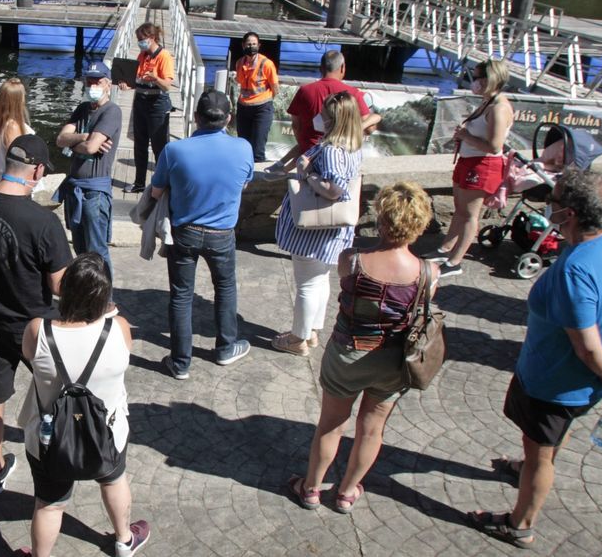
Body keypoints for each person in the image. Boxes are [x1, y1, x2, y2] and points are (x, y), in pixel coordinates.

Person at [469, 168, 602, 549]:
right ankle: (527, 469)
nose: (547, 206)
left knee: (541, 453)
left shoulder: (575, 270)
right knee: (549, 441)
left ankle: (520, 524)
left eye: (552, 201)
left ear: (568, 214)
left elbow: (586, 347)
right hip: (586, 384)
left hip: (554, 384)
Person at [289, 182, 438, 513]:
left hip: (347, 353)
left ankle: (311, 489)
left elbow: (347, 286)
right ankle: (346, 493)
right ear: (420, 224)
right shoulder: (429, 273)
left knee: (331, 423)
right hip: (392, 361)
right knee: (372, 429)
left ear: (381, 220)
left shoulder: (352, 260)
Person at [0, 134, 73, 494]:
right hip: (36, 327)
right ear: (37, 170)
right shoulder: (43, 222)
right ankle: (59, 459)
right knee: (57, 396)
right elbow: (58, 286)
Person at [17, 254, 150, 557]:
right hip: (107, 432)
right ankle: (124, 540)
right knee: (114, 480)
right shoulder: (119, 329)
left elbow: (28, 357)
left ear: (64, 289)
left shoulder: (39, 330)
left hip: (49, 438)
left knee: (49, 504)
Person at [150, 90, 254, 378]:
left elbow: (156, 191)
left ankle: (181, 363)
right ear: (228, 118)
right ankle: (225, 348)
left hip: (185, 232)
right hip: (222, 232)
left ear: (196, 117)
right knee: (225, 288)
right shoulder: (244, 148)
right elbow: (244, 183)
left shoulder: (174, 151)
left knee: (181, 296)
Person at [272, 92, 366, 356]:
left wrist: (308, 173)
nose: (318, 117)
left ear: (335, 120)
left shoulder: (333, 151)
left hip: (315, 231)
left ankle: (297, 339)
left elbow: (334, 190)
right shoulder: (353, 147)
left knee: (307, 284)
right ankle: (312, 331)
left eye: (324, 114)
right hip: (333, 231)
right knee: (321, 279)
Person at [425, 59, 514, 278]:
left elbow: (495, 146)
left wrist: (467, 136)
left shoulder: (499, 108)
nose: (473, 82)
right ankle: (445, 249)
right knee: (461, 210)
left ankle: (455, 262)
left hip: (482, 165)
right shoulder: (487, 102)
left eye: (477, 78)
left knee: (470, 215)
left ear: (490, 79)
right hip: (469, 161)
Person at [55, 65, 121, 275]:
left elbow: (92, 148)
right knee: (80, 249)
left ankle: (105, 299)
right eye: (89, 81)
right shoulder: (82, 109)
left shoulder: (112, 111)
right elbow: (60, 139)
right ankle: (86, 293)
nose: (92, 85)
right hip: (75, 188)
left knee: (97, 251)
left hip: (95, 192)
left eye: (98, 81)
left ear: (108, 85)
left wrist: (74, 143)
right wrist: (84, 137)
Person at [268, 50, 379, 175]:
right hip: (338, 158)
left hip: (307, 157)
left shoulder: (304, 91)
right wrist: (374, 118)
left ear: (321, 68)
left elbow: (295, 125)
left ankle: (281, 167)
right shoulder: (353, 94)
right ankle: (282, 167)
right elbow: (370, 129)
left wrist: (304, 146)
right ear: (342, 68)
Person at [120, 23, 175, 194]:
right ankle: (139, 183)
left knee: (160, 147)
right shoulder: (142, 55)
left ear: (152, 38)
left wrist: (155, 77)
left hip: (157, 104)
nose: (140, 43)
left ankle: (161, 185)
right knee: (140, 144)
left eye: (142, 40)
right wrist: (126, 84)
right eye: (138, 40)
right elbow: (137, 80)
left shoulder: (164, 56)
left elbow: (167, 86)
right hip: (141, 102)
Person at [234, 31, 279, 162]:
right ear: (243, 45)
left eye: (254, 44)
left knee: (258, 147)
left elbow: (275, 88)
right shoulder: (239, 63)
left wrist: (267, 102)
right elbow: (239, 81)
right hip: (243, 107)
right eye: (249, 44)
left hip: (262, 108)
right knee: (243, 145)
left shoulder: (267, 64)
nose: (251, 47)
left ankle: (257, 175)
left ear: (259, 45)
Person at [0, 78, 34, 179]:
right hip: (18, 183)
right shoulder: (12, 127)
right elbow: (17, 159)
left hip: (8, 181)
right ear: (18, 101)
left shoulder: (0, 123)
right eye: (23, 96)